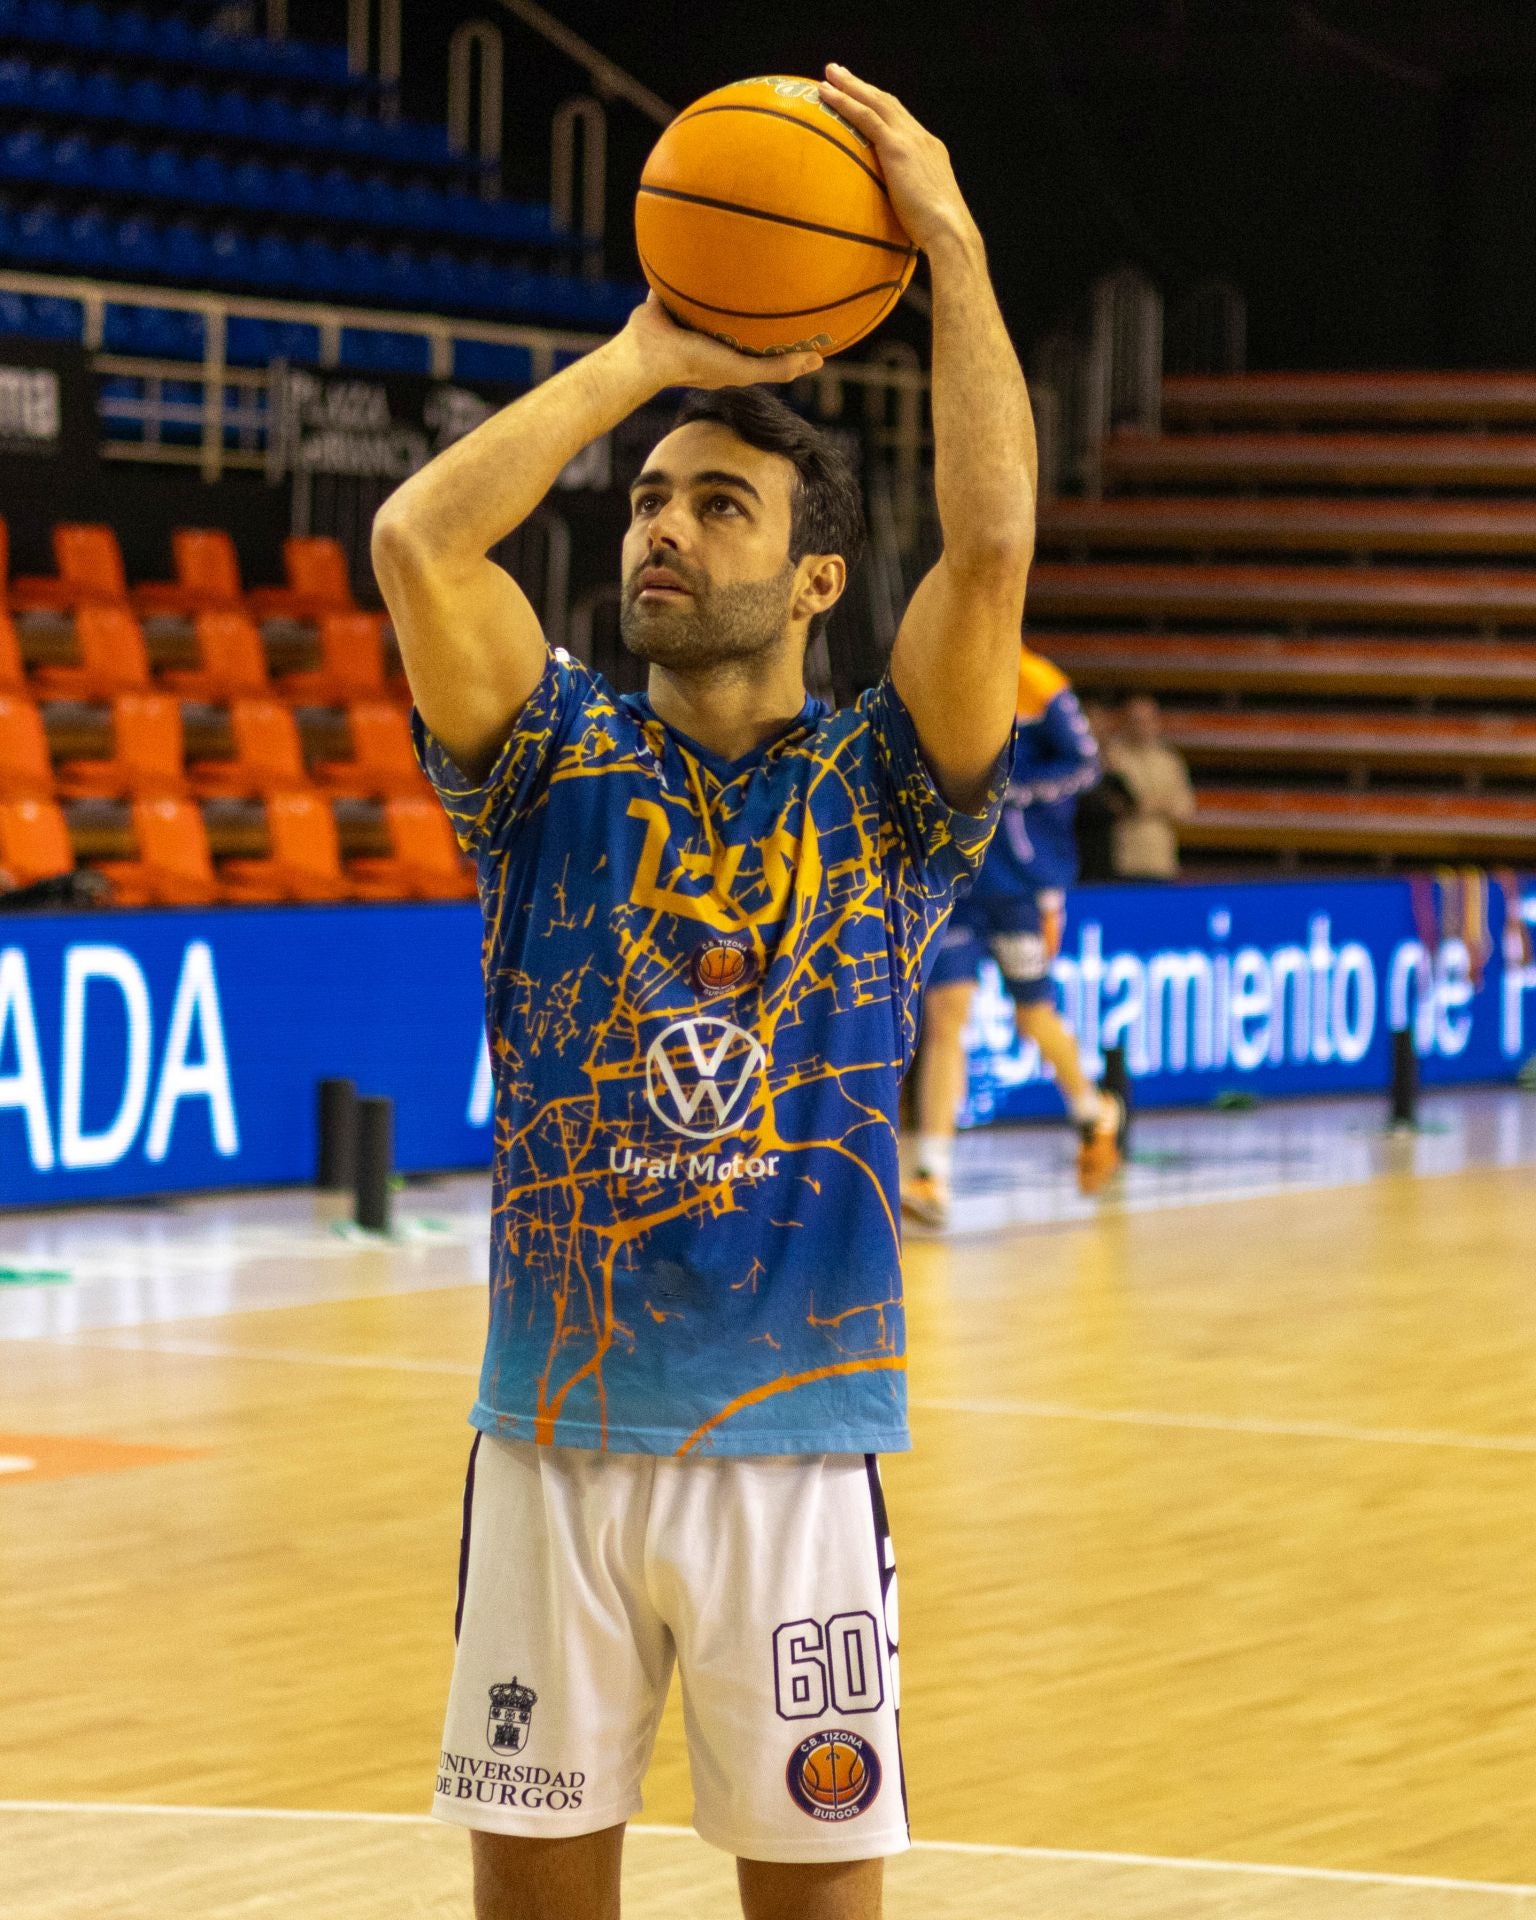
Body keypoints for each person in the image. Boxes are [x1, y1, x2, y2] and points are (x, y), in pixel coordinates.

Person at [372, 64, 1035, 1920]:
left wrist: (955, 243)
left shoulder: (889, 789)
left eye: (720, 506)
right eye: (649, 503)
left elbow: (990, 546)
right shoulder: (547, 760)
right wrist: (641, 364)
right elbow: (421, 543)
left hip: (799, 1453)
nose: (661, 527)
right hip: (553, 1435)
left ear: (819, 573)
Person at [902, 648, 1123, 1228]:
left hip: (1020, 885)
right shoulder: (932, 666)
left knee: (1033, 1016)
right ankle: (932, 1172)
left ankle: (1093, 1113)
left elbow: (1086, 766)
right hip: (955, 880)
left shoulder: (1039, 681)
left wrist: (1011, 790)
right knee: (944, 1017)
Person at [1104, 693, 1195, 879]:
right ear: (1125, 722)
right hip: (1122, 860)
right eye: (1135, 720)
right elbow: (1113, 804)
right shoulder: (1112, 758)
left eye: (1147, 720)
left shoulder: (1169, 761)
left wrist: (1147, 805)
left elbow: (1185, 808)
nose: (1141, 726)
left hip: (1160, 860)